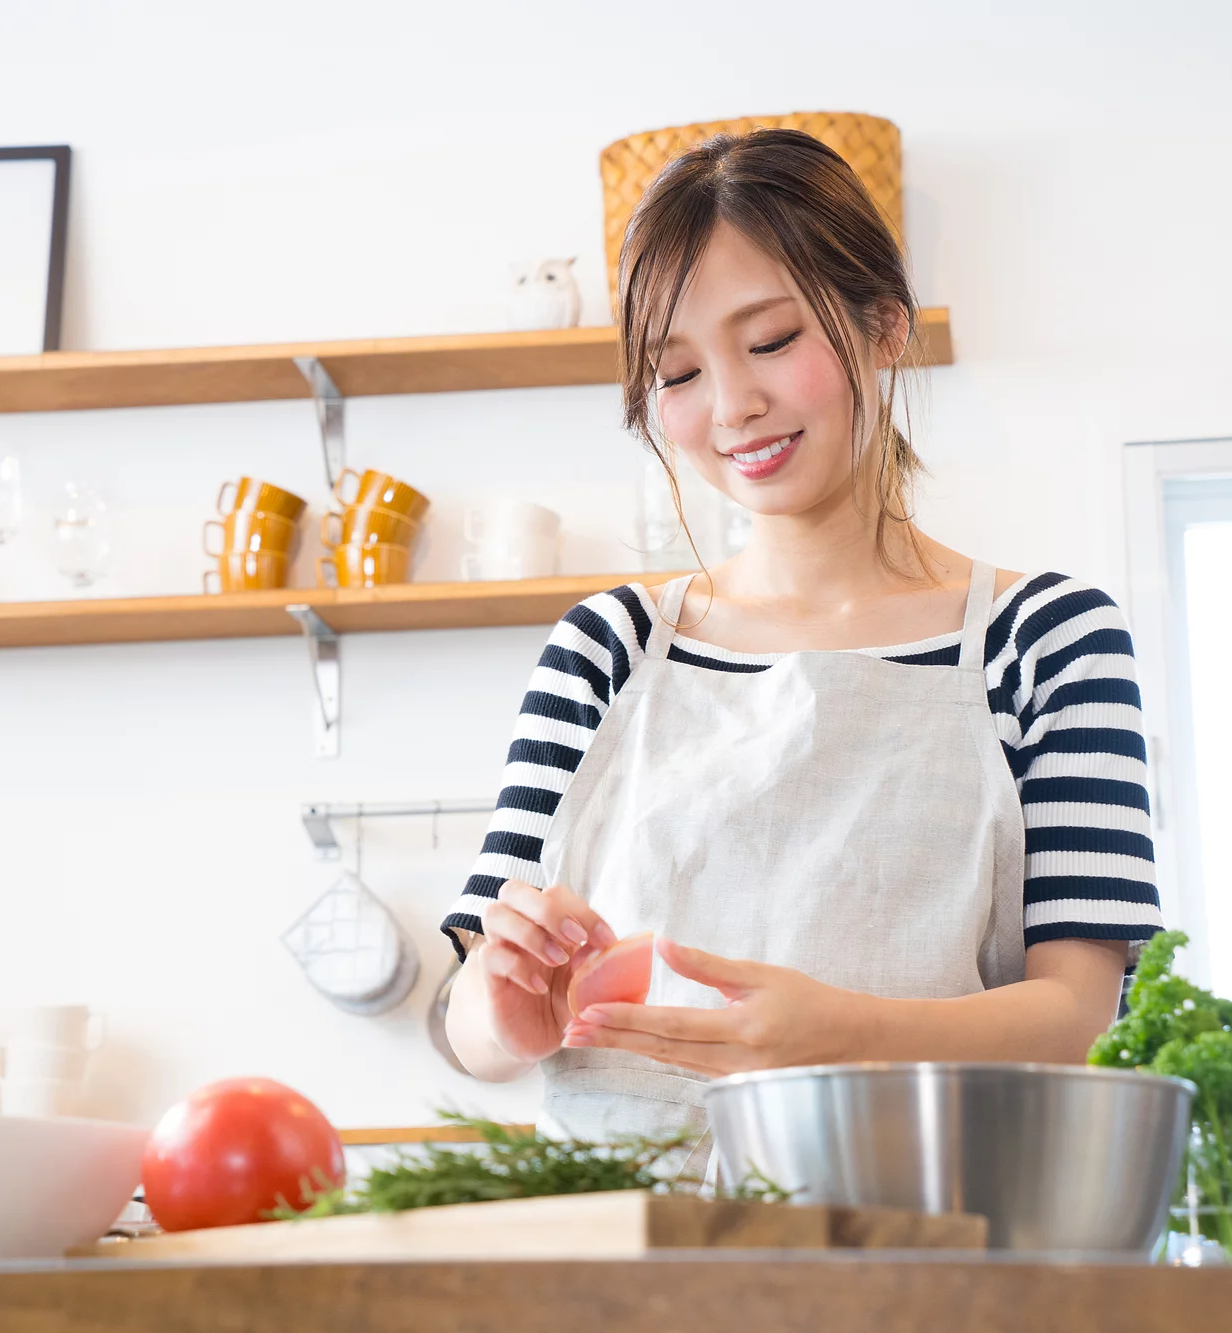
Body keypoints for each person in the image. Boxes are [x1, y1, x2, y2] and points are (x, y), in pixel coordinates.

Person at [441, 130, 1160, 1160]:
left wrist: (847, 1035)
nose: (730, 405)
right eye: (676, 369)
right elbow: (470, 1011)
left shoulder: (1044, 638)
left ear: (883, 326)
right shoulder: (608, 644)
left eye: (771, 339)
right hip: (619, 1267)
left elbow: (1084, 1019)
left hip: (928, 1255)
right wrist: (504, 1011)